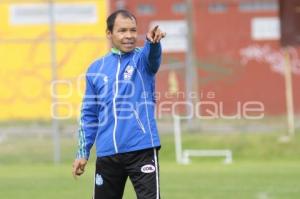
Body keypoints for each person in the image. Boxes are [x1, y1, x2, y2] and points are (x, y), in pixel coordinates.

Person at [72, 9, 166, 199]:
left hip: (141, 149)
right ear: (109, 34)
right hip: (107, 154)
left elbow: (153, 58)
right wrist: (83, 152)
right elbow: (89, 114)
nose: (129, 36)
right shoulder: (95, 69)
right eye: (122, 31)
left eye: (133, 30)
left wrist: (153, 44)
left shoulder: (142, 59)